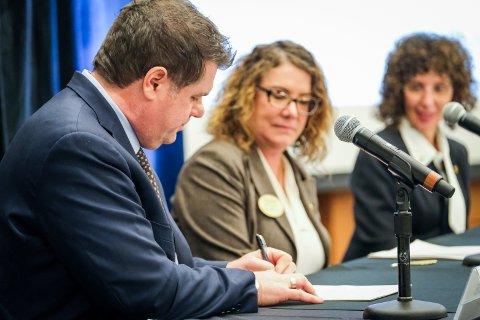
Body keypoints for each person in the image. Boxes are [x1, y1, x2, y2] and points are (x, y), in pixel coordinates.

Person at [0, 1, 324, 319]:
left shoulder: (95, 130)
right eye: (195, 96)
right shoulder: (78, 144)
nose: (198, 110)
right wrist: (250, 285)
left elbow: (152, 264)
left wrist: (231, 269)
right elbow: (148, 290)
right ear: (155, 81)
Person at [172, 40, 333, 275]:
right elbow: (240, 276)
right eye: (279, 95)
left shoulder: (298, 173)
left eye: (303, 101)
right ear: (246, 94)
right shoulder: (214, 166)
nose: (292, 112)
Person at [343, 33, 477, 261]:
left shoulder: (457, 152)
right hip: (382, 281)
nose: (427, 101)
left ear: (455, 92)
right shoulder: (376, 153)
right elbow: (382, 244)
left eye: (439, 88)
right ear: (398, 91)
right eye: (416, 87)